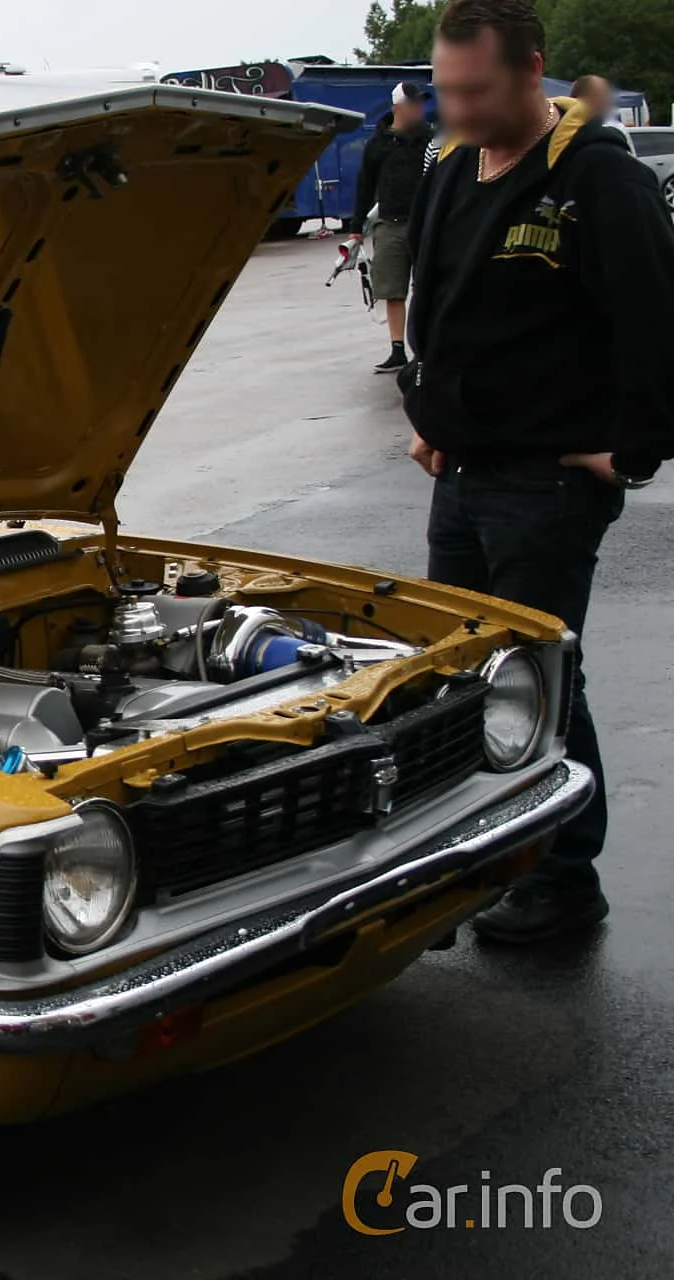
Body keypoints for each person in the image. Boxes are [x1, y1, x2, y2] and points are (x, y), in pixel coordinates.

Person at [401, 0, 674, 941]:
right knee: (462, 674)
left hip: (547, 484)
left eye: (476, 90)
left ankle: (563, 879)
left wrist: (630, 452)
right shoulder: (448, 167)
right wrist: (424, 416)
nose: (459, 108)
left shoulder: (597, 177)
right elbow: (432, 306)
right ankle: (479, 856)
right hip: (464, 476)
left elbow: (655, 327)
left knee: (543, 675)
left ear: (534, 71)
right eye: (446, 90)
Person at [351, 82, 434, 372]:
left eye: (421, 103)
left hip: (424, 224)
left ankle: (428, 346)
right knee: (392, 289)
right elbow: (365, 185)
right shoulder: (378, 144)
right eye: (413, 103)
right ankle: (397, 349)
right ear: (398, 106)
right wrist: (356, 225)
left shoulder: (431, 139)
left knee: (427, 286)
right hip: (389, 223)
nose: (419, 108)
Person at [570, 74, 637, 154]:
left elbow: (629, 162)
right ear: (584, 98)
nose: (608, 100)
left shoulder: (617, 128)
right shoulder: (614, 131)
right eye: (603, 94)